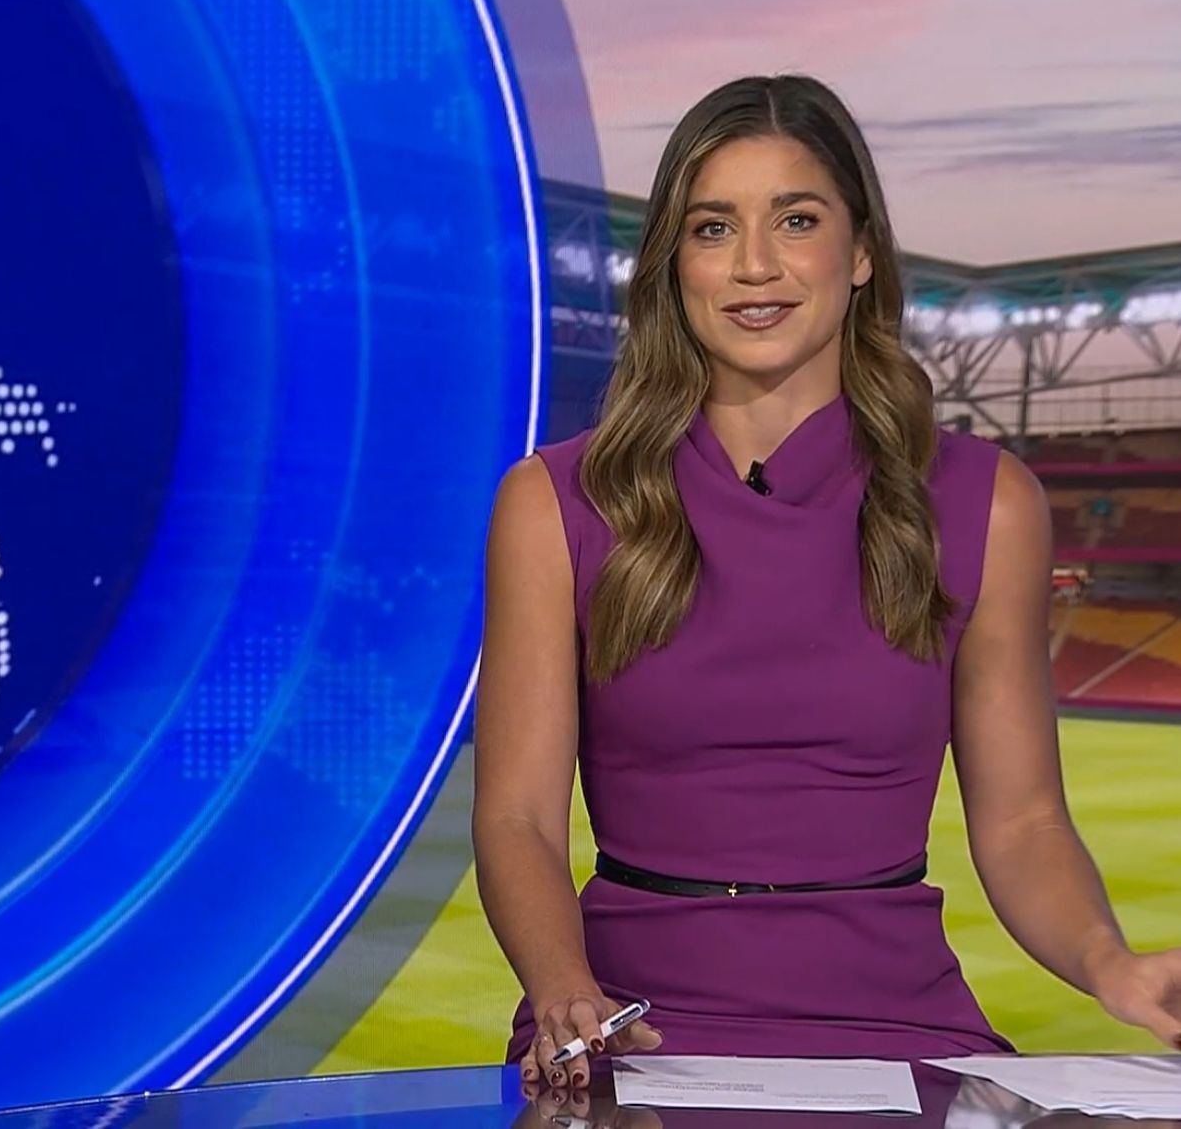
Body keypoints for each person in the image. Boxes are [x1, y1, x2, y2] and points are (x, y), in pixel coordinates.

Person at [472, 74, 1181, 1093]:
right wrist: (562, 989)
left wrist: (1109, 963)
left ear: (859, 253)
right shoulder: (555, 502)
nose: (754, 264)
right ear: (673, 263)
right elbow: (519, 820)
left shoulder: (987, 502)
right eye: (713, 227)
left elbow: (1023, 822)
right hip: (632, 1030)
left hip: (897, 1020)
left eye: (795, 220)